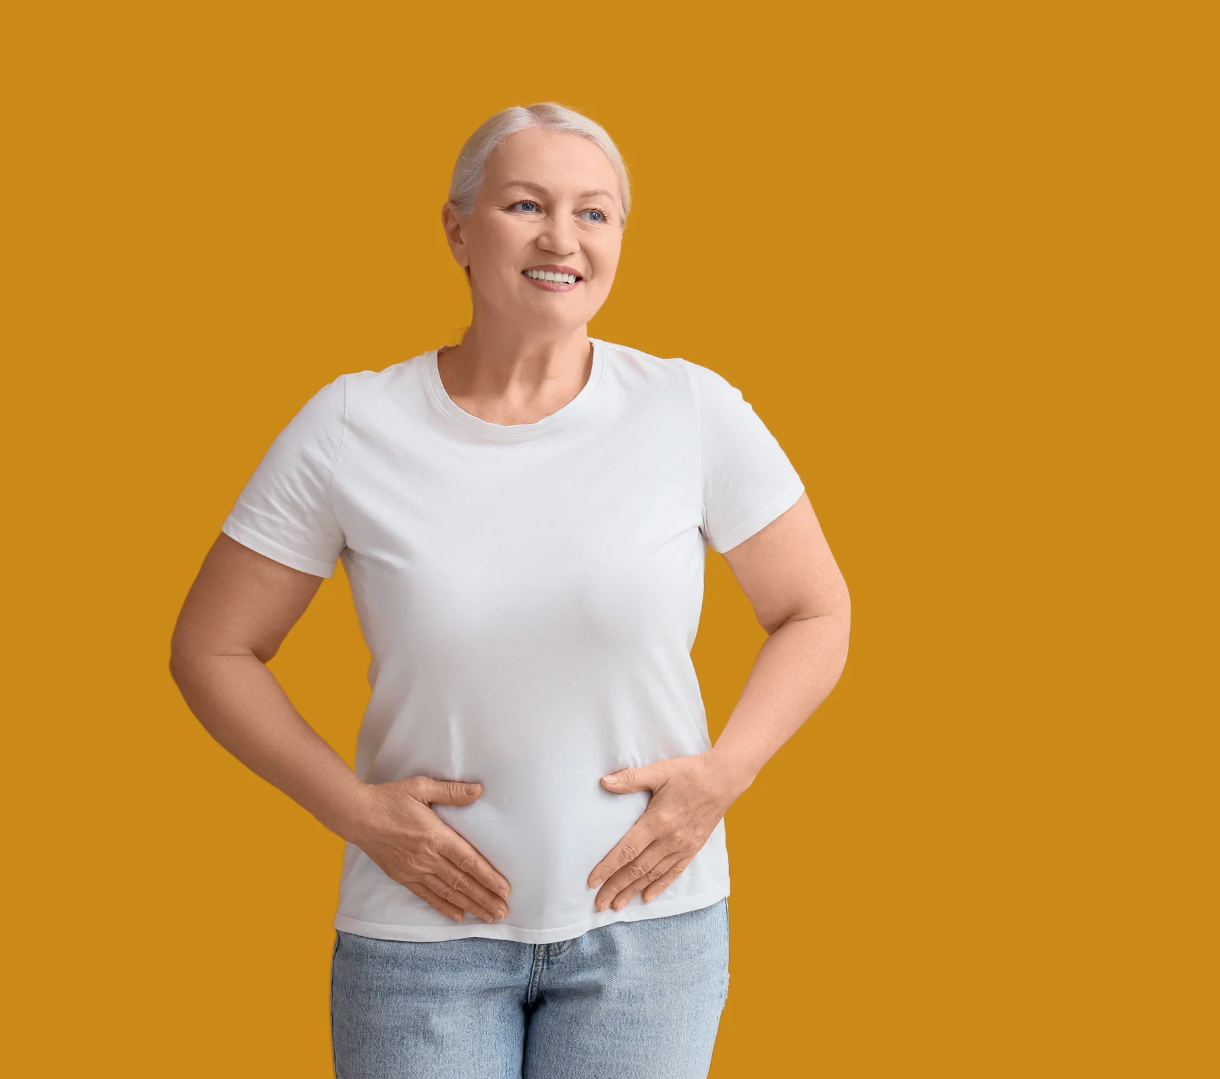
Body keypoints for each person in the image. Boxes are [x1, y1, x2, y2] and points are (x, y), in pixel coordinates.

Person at [168, 101, 852, 1078]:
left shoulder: (687, 409)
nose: (560, 238)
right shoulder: (354, 423)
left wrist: (725, 772)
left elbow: (815, 611)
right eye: (525, 204)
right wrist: (355, 810)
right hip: (418, 938)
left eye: (594, 212)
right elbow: (211, 646)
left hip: (648, 935)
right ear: (457, 228)